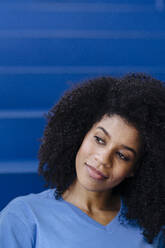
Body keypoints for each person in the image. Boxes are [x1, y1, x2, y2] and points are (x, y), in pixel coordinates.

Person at [0, 73, 165, 247]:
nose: (103, 159)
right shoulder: (24, 217)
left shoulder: (150, 229)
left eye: (122, 155)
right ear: (81, 134)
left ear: (135, 167)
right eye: (99, 139)